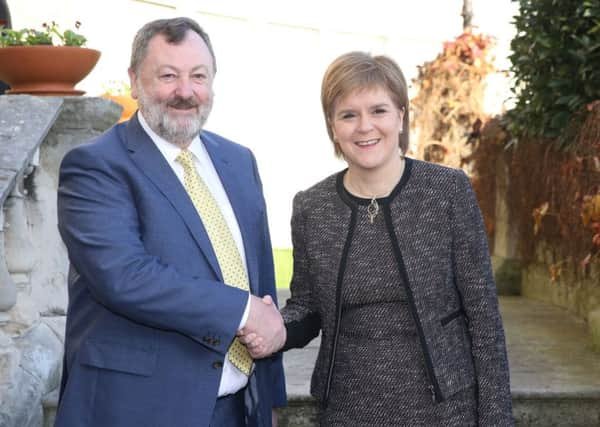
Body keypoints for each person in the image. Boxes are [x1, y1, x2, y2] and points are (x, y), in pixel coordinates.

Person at [241, 51, 514, 426]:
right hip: (347, 411)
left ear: (401, 115)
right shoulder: (311, 207)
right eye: (348, 115)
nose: (364, 126)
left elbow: (483, 317)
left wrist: (497, 419)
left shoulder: (447, 192)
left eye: (378, 111)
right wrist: (277, 328)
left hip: (447, 410)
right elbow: (308, 306)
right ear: (332, 126)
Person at [55, 17, 286, 427]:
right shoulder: (95, 166)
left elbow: (259, 280)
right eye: (167, 76)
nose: (185, 92)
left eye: (198, 76)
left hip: (236, 410)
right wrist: (241, 312)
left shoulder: (238, 161)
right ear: (133, 79)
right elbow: (124, 276)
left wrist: (269, 395)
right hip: (136, 410)